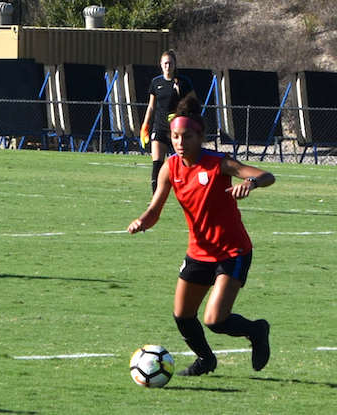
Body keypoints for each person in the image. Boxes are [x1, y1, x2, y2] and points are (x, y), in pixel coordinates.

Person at [128, 96, 275, 376]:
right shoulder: (170, 168)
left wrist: (250, 182)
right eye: (175, 137)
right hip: (199, 252)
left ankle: (256, 330)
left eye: (187, 136)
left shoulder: (218, 163)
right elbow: (154, 209)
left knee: (215, 319)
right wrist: (141, 222)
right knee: (182, 314)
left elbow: (267, 175)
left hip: (233, 252)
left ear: (200, 136)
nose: (180, 142)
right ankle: (206, 360)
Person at [140, 50, 197, 193]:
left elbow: (194, 103)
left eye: (170, 63)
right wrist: (145, 126)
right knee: (157, 163)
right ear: (161, 65)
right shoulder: (156, 82)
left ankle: (188, 191)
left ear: (175, 64)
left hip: (178, 129)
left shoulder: (183, 82)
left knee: (183, 162)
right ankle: (155, 197)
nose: (168, 66)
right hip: (160, 126)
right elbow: (151, 106)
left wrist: (182, 115)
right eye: (165, 63)